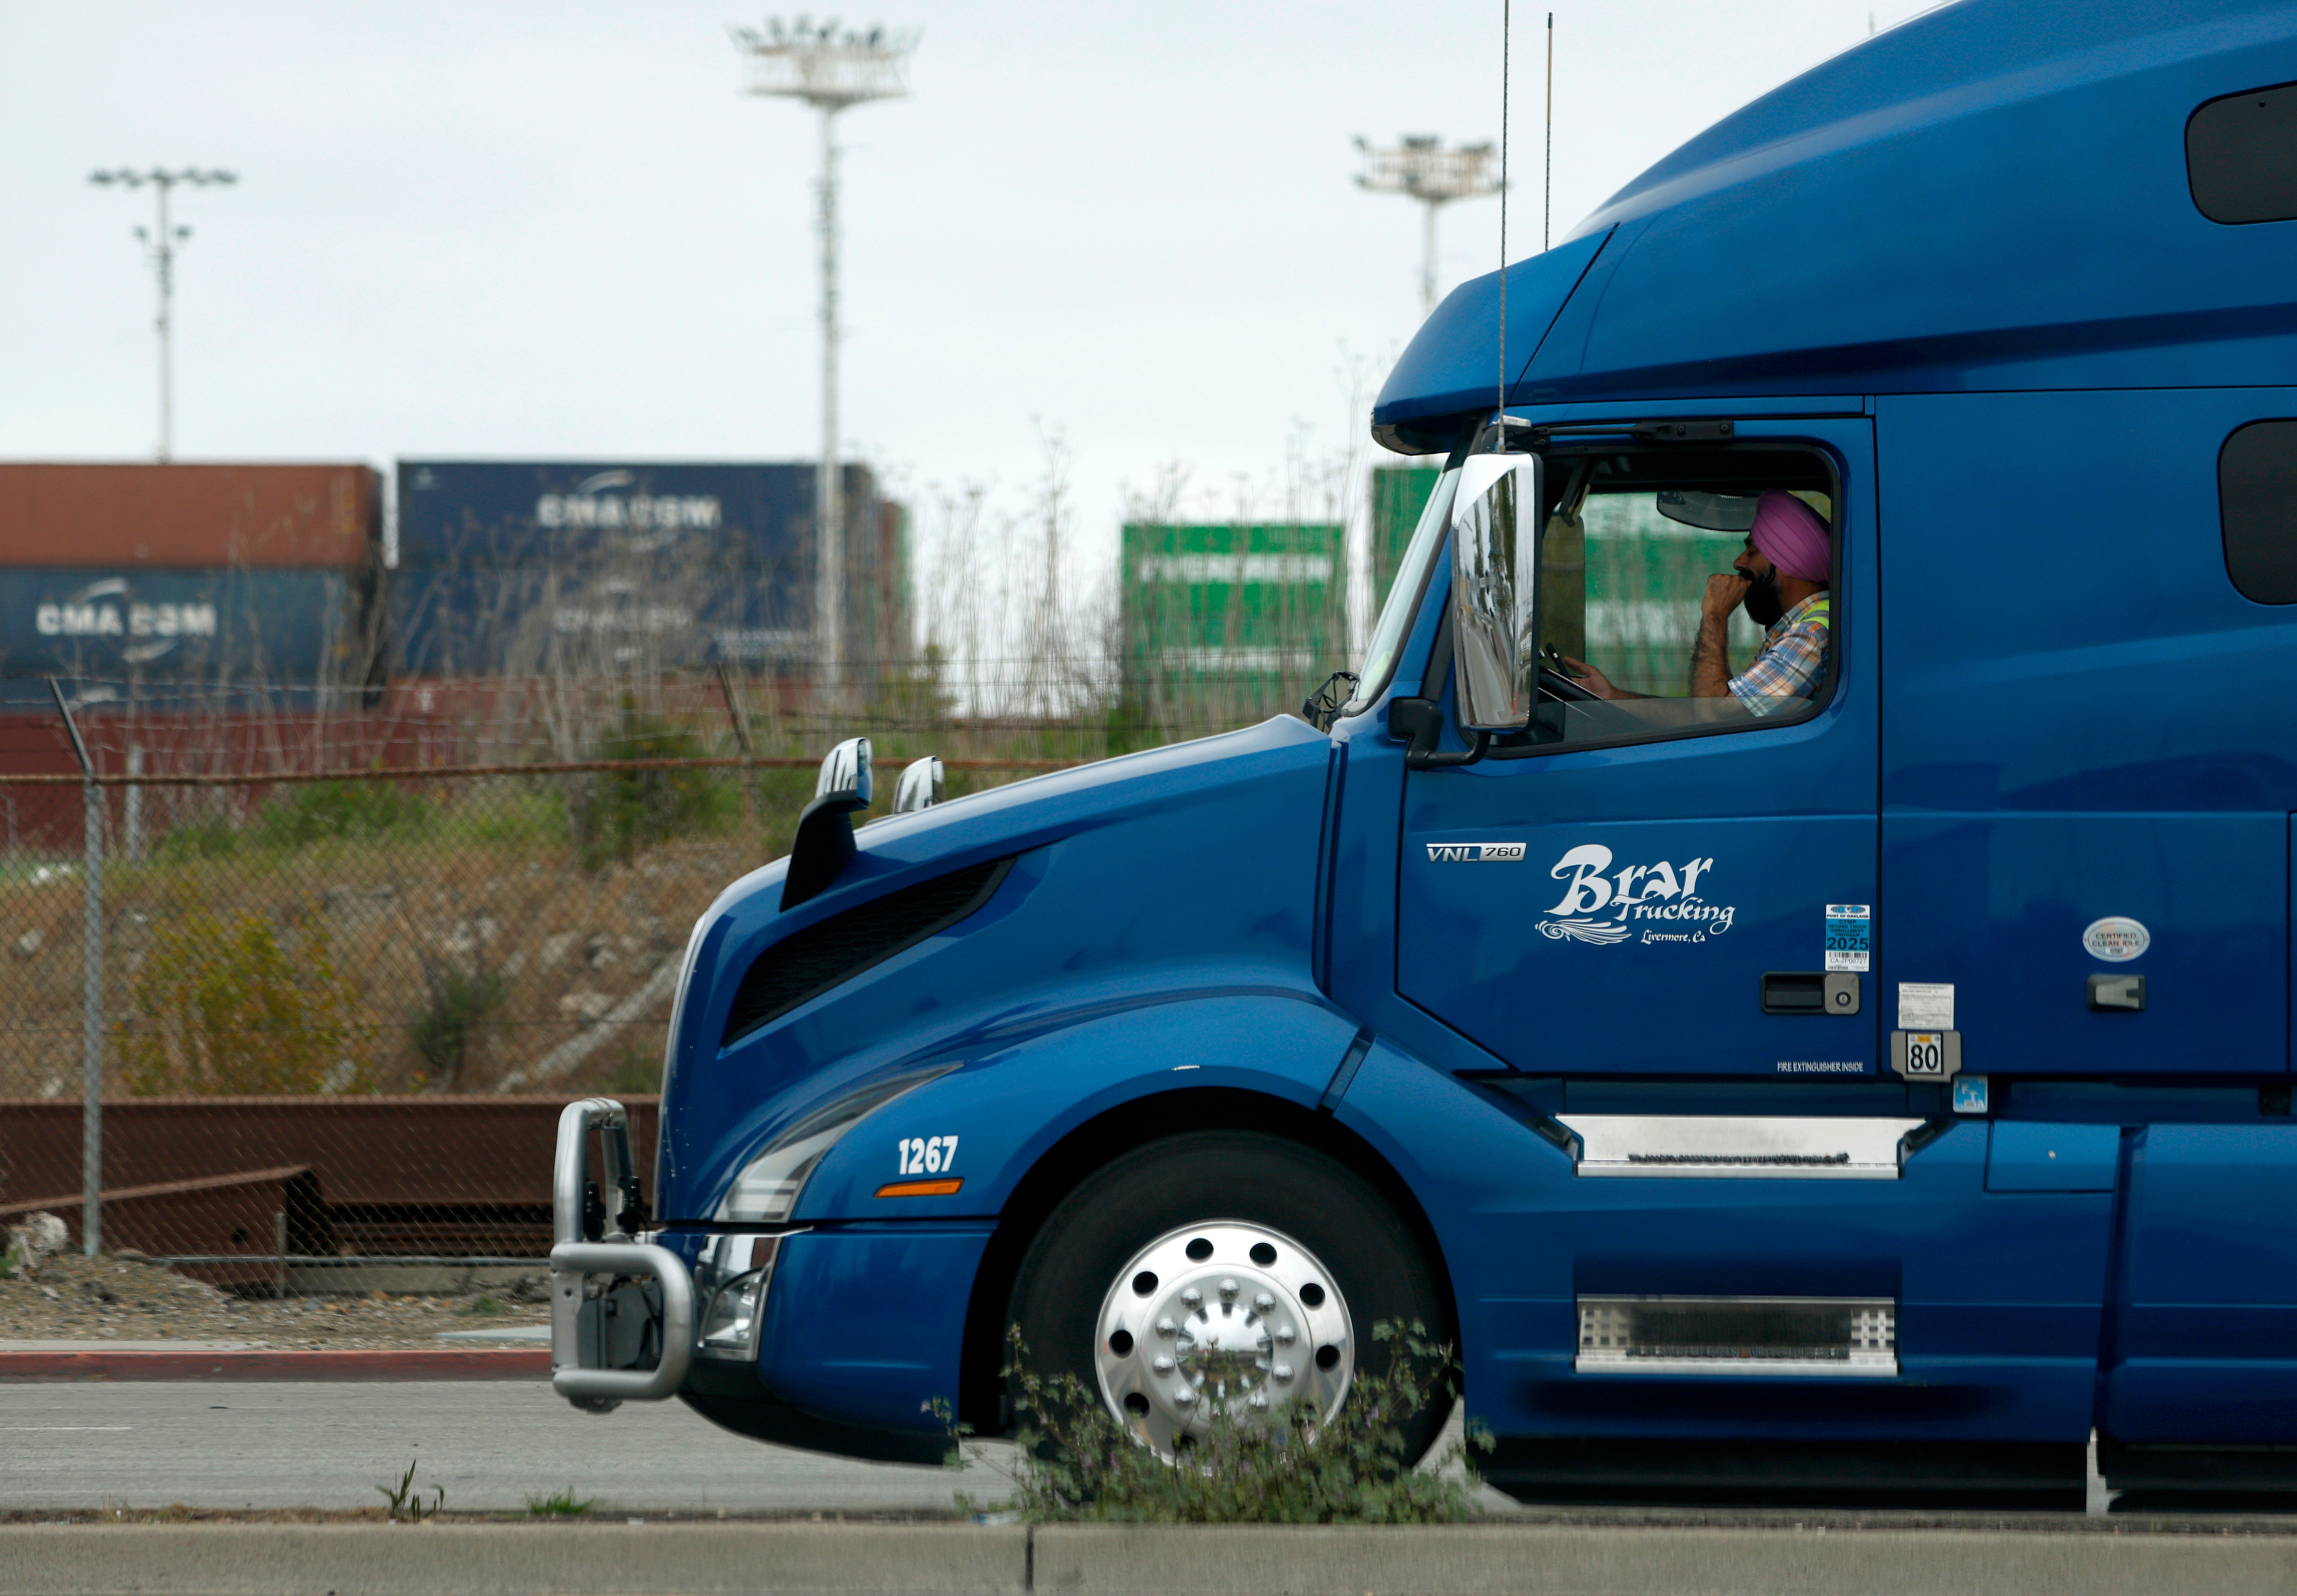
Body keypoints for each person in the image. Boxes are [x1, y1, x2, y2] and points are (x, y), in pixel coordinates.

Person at [1563, 490, 1831, 717]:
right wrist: (1613, 698)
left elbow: (1713, 716)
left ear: (1786, 563)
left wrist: (1715, 615)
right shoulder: (1800, 630)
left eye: (1752, 552)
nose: (1739, 563)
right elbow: (1708, 712)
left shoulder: (1809, 636)